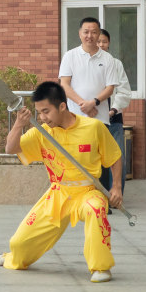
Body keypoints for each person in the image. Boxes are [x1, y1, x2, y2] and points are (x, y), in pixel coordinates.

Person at [0, 81, 123, 283]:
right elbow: (10, 149)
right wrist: (19, 124)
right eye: (39, 112)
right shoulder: (43, 132)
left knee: (96, 209)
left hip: (88, 191)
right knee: (18, 243)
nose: (42, 117)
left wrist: (116, 187)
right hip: (58, 193)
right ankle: (13, 256)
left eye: (46, 111)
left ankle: (101, 267)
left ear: (62, 106)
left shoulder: (93, 127)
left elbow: (114, 157)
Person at [59, 17, 121, 191]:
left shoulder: (108, 58)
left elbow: (110, 87)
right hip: (75, 118)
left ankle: (103, 200)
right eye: (86, 32)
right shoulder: (70, 56)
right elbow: (64, 84)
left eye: (94, 32)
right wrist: (82, 104)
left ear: (99, 34)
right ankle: (77, 196)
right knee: (77, 158)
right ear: (80, 34)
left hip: (100, 118)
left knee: (102, 159)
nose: (90, 35)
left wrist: (94, 102)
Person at [97, 28, 131, 192]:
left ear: (108, 43)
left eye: (104, 41)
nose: (101, 45)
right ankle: (97, 194)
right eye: (98, 41)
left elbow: (124, 91)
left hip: (113, 119)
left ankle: (115, 195)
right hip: (92, 119)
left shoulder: (116, 64)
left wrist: (113, 110)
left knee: (116, 157)